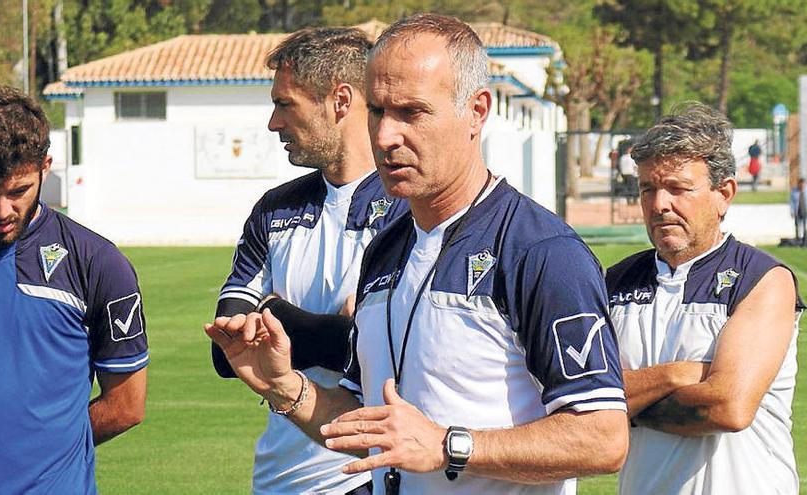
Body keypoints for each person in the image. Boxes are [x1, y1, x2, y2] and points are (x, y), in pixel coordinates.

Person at [207, 14, 628, 495]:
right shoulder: (387, 250)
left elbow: (602, 438)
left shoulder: (540, 252)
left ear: (476, 111)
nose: (386, 136)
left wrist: (450, 446)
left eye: (412, 113)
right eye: (378, 112)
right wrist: (284, 386)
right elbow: (367, 425)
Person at [210, 27, 408, 494]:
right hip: (277, 478)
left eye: (285, 104)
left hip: (361, 477)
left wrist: (276, 315)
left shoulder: (406, 208)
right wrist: (333, 333)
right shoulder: (274, 209)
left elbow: (381, 353)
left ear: (340, 101)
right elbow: (226, 348)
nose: (273, 123)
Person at [0, 84, 148, 493]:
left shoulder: (99, 262)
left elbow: (127, 405)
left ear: (45, 166)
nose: (2, 210)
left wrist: (52, 446)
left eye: (18, 191)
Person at [606, 103, 802, 494]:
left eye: (677, 188)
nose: (660, 204)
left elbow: (726, 407)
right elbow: (579, 401)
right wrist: (676, 374)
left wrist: (625, 404)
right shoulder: (614, 283)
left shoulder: (763, 279)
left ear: (723, 193)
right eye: (648, 189)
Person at [791, 177, 806, 246]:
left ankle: (804, 240)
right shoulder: (794, 191)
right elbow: (791, 202)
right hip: (797, 211)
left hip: (805, 211)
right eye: (801, 185)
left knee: (805, 226)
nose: (802, 186)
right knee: (797, 225)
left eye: (803, 185)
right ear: (798, 184)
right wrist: (792, 211)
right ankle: (798, 239)